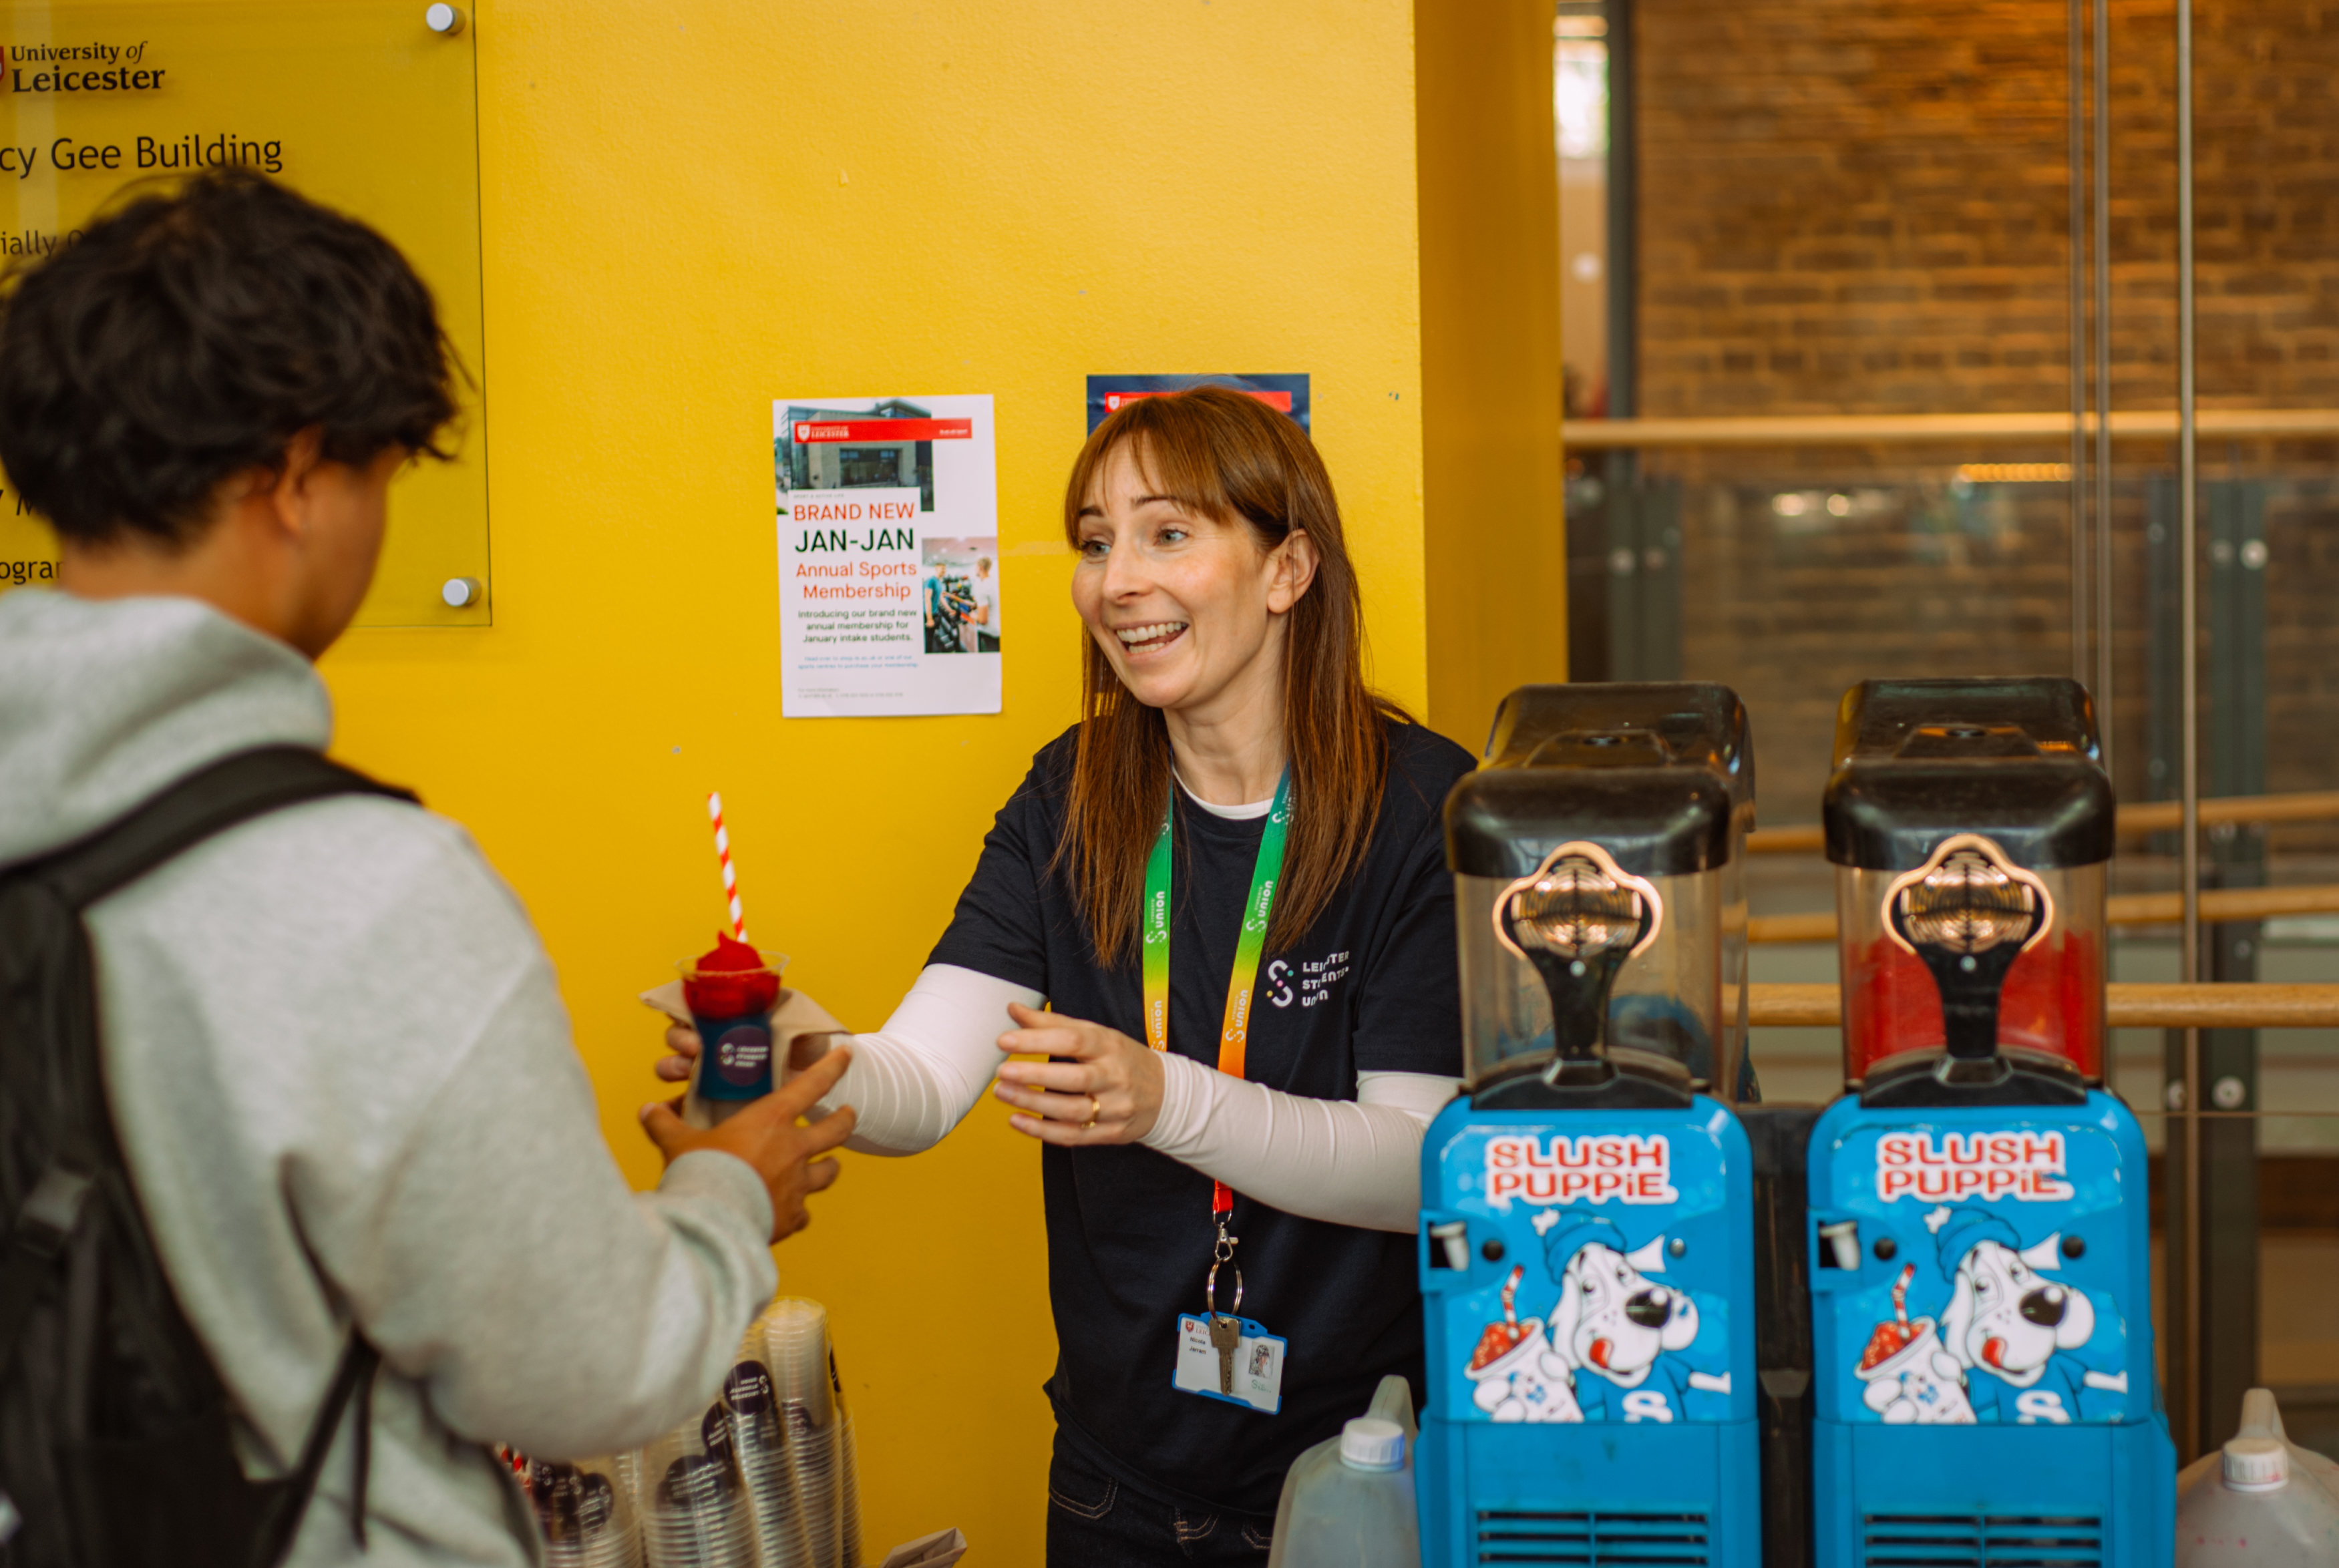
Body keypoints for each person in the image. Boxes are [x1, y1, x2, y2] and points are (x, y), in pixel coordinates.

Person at [0, 170, 856, 1564]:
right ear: (294, 475)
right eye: (382, 472)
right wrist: (726, 1196)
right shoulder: (359, 890)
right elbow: (587, 1371)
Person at [663, 387, 1473, 1565]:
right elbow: (919, 1083)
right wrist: (798, 1049)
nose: (1116, 581)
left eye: (1168, 533)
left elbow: (1418, 1164)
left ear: (1287, 567)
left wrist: (1165, 1099)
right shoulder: (1074, 791)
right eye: (1095, 543)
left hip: (1360, 1472)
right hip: (1114, 1480)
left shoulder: (1419, 809)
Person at [968, 554, 1001, 652]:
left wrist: (973, 615)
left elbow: (982, 620)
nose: (974, 570)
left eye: (975, 567)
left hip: (988, 633)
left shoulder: (982, 587)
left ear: (980, 568)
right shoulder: (994, 582)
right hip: (997, 631)